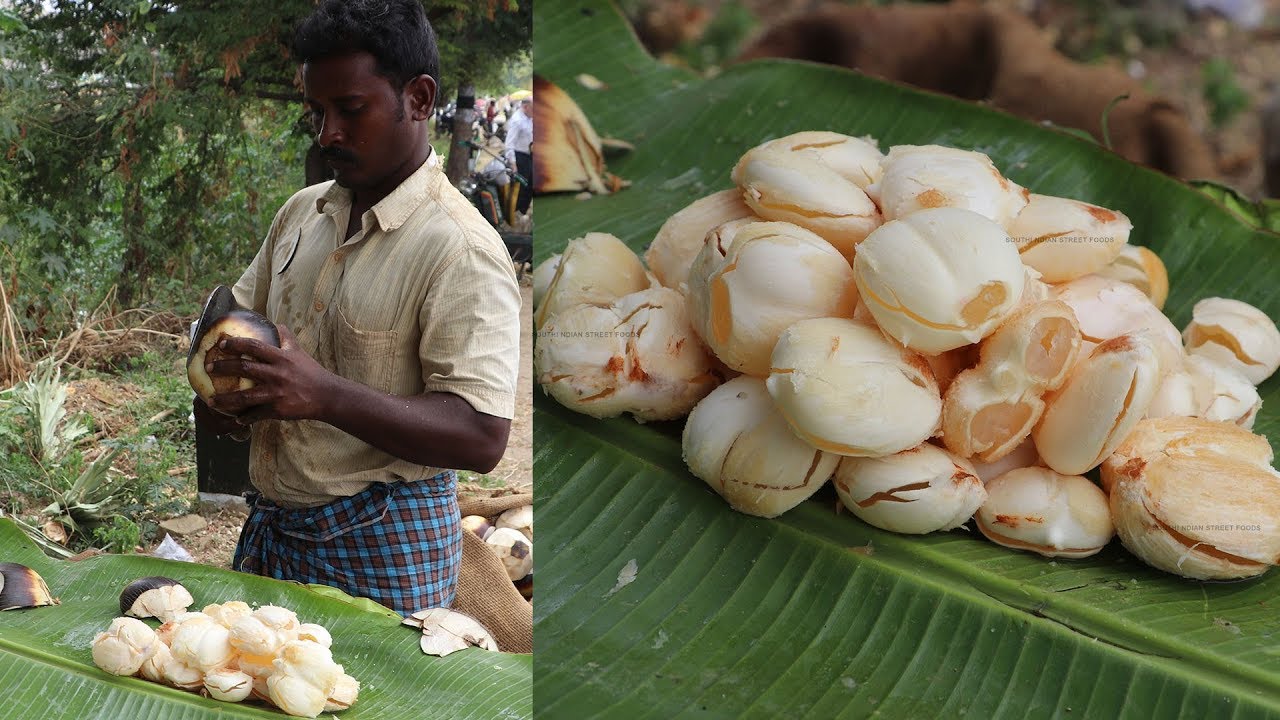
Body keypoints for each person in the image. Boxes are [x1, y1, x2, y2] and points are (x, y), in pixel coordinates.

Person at [196, 0, 521, 616]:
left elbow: (482, 436)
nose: (329, 134)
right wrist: (225, 399)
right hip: (273, 526)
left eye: (351, 110)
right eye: (317, 112)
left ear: (419, 99)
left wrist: (325, 395)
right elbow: (237, 326)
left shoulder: (460, 249)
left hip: (386, 541)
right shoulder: (302, 212)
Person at [504, 96, 534, 214]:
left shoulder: (530, 118)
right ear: (525, 107)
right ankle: (515, 212)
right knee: (520, 188)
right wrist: (513, 163)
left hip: (530, 156)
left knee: (530, 186)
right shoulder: (517, 120)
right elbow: (509, 144)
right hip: (519, 157)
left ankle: (523, 211)